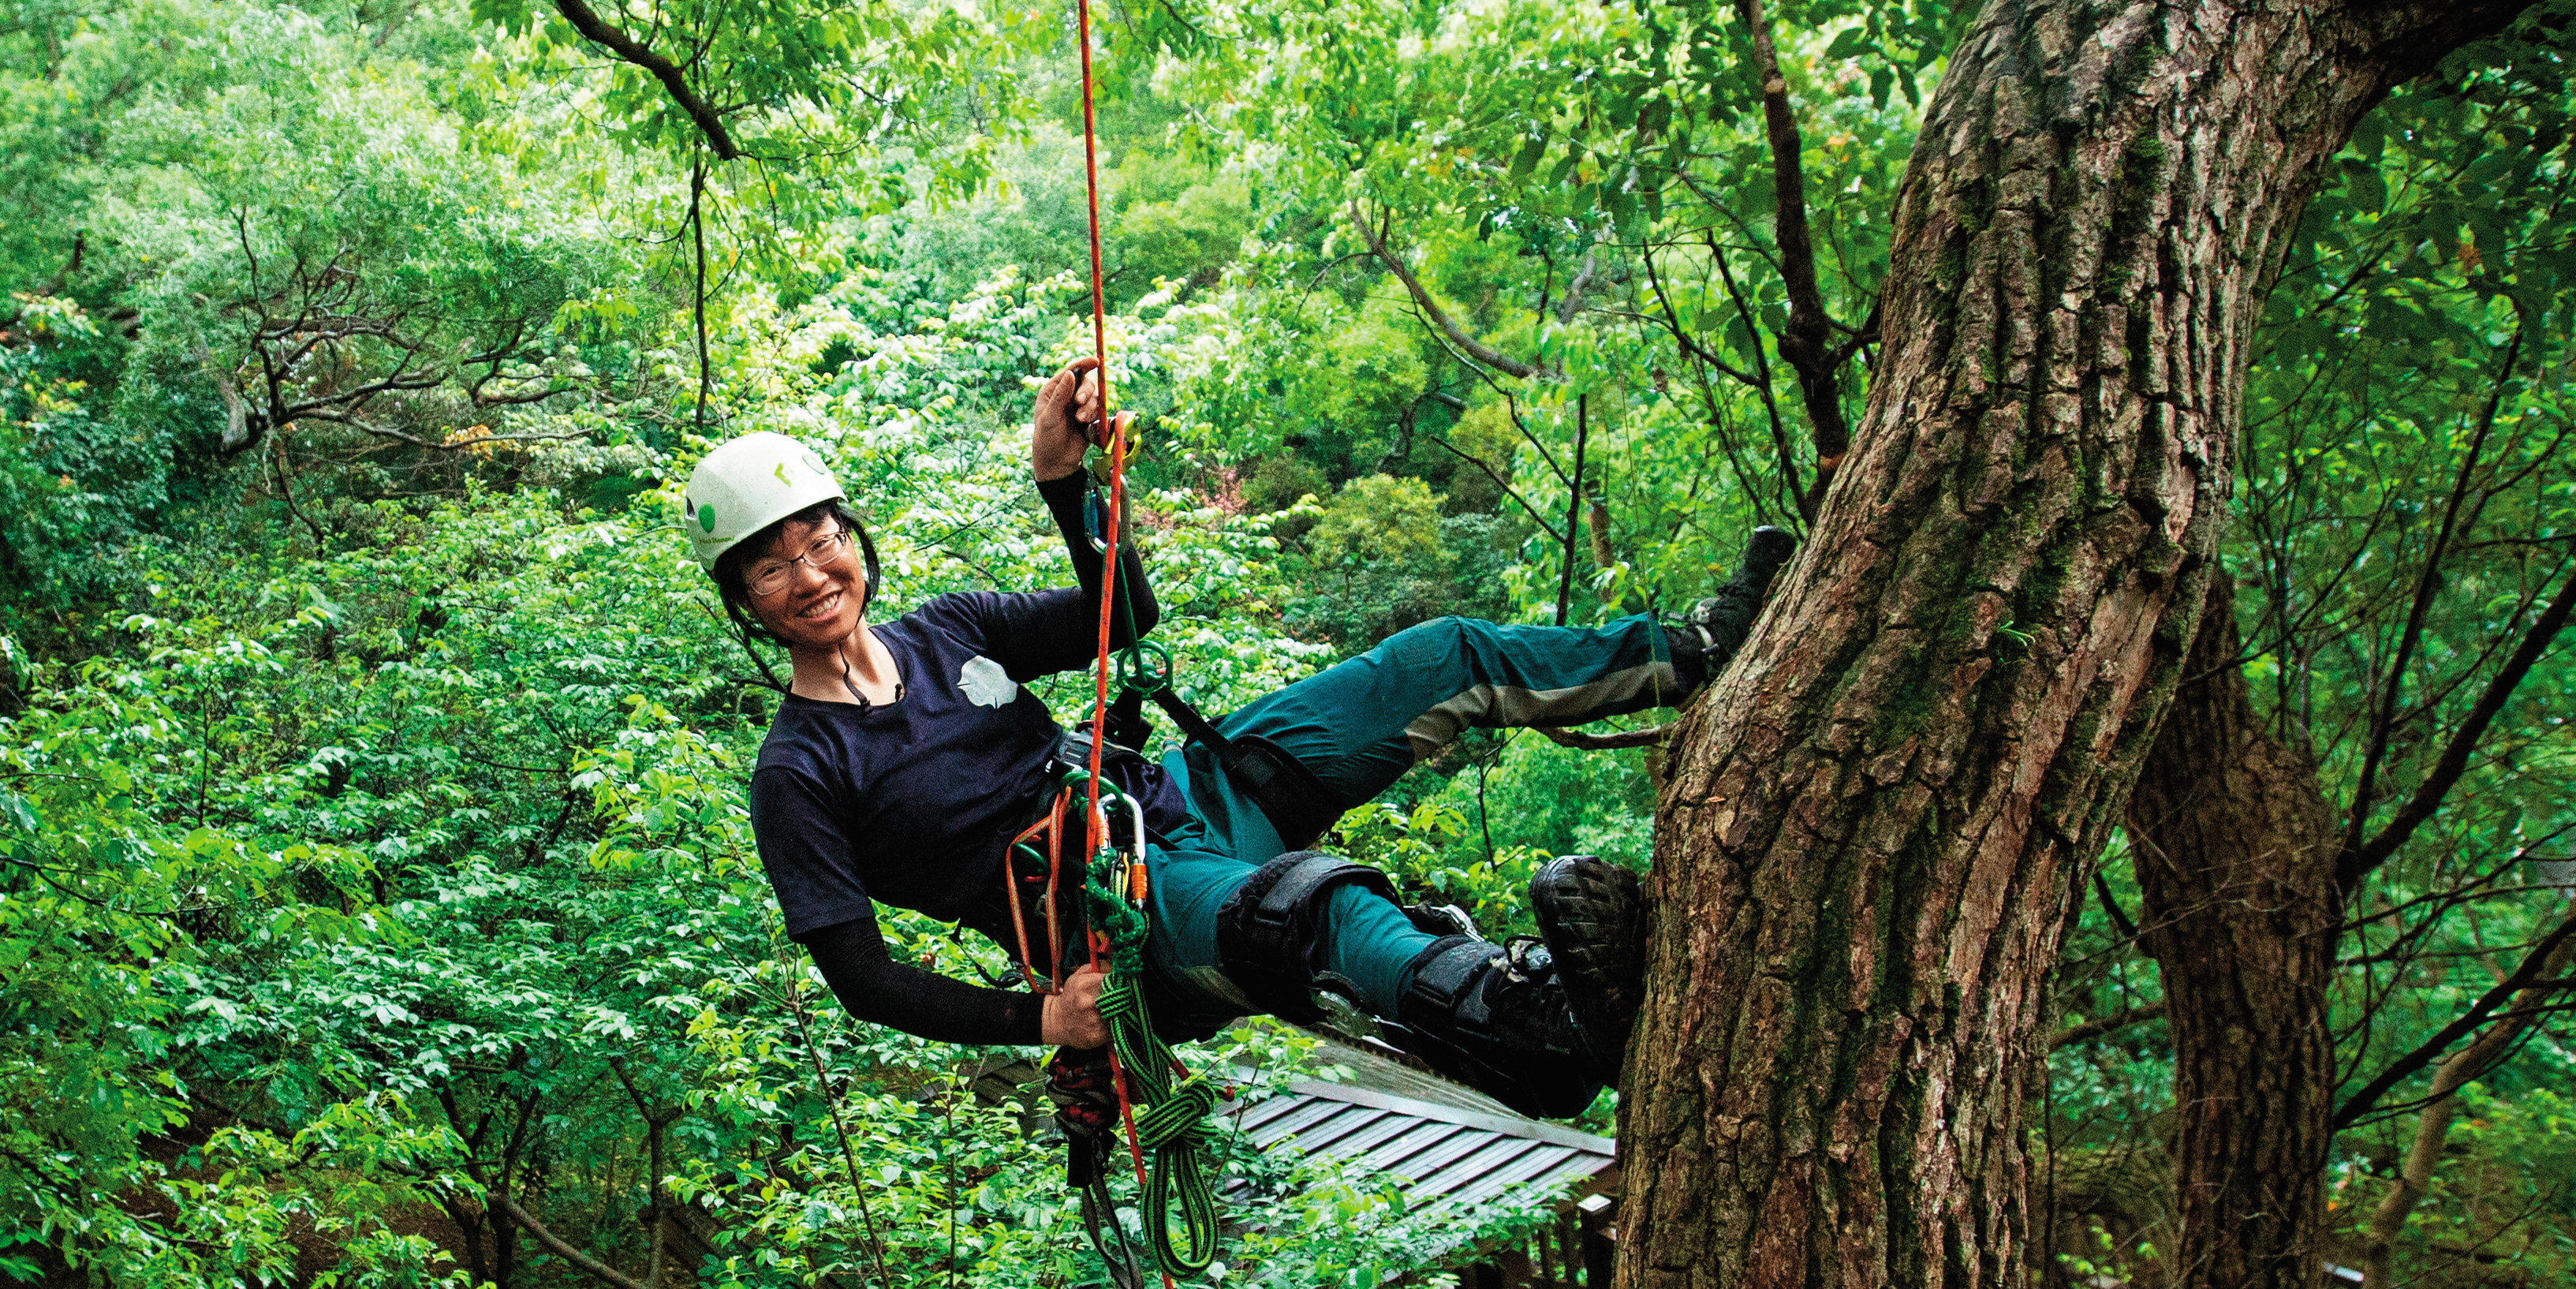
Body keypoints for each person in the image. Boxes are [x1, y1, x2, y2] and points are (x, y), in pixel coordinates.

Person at [693, 362, 1791, 1123]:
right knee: (1311, 906)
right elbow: (860, 976)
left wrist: (1063, 481)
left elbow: (1119, 611)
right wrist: (1044, 1020)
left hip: (1177, 795)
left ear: (854, 537)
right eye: (772, 565)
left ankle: (1691, 650)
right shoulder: (798, 771)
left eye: (822, 538)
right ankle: (1530, 1016)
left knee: (1436, 658)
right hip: (1117, 917)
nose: (812, 574)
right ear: (745, 602)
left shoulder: (946, 631)